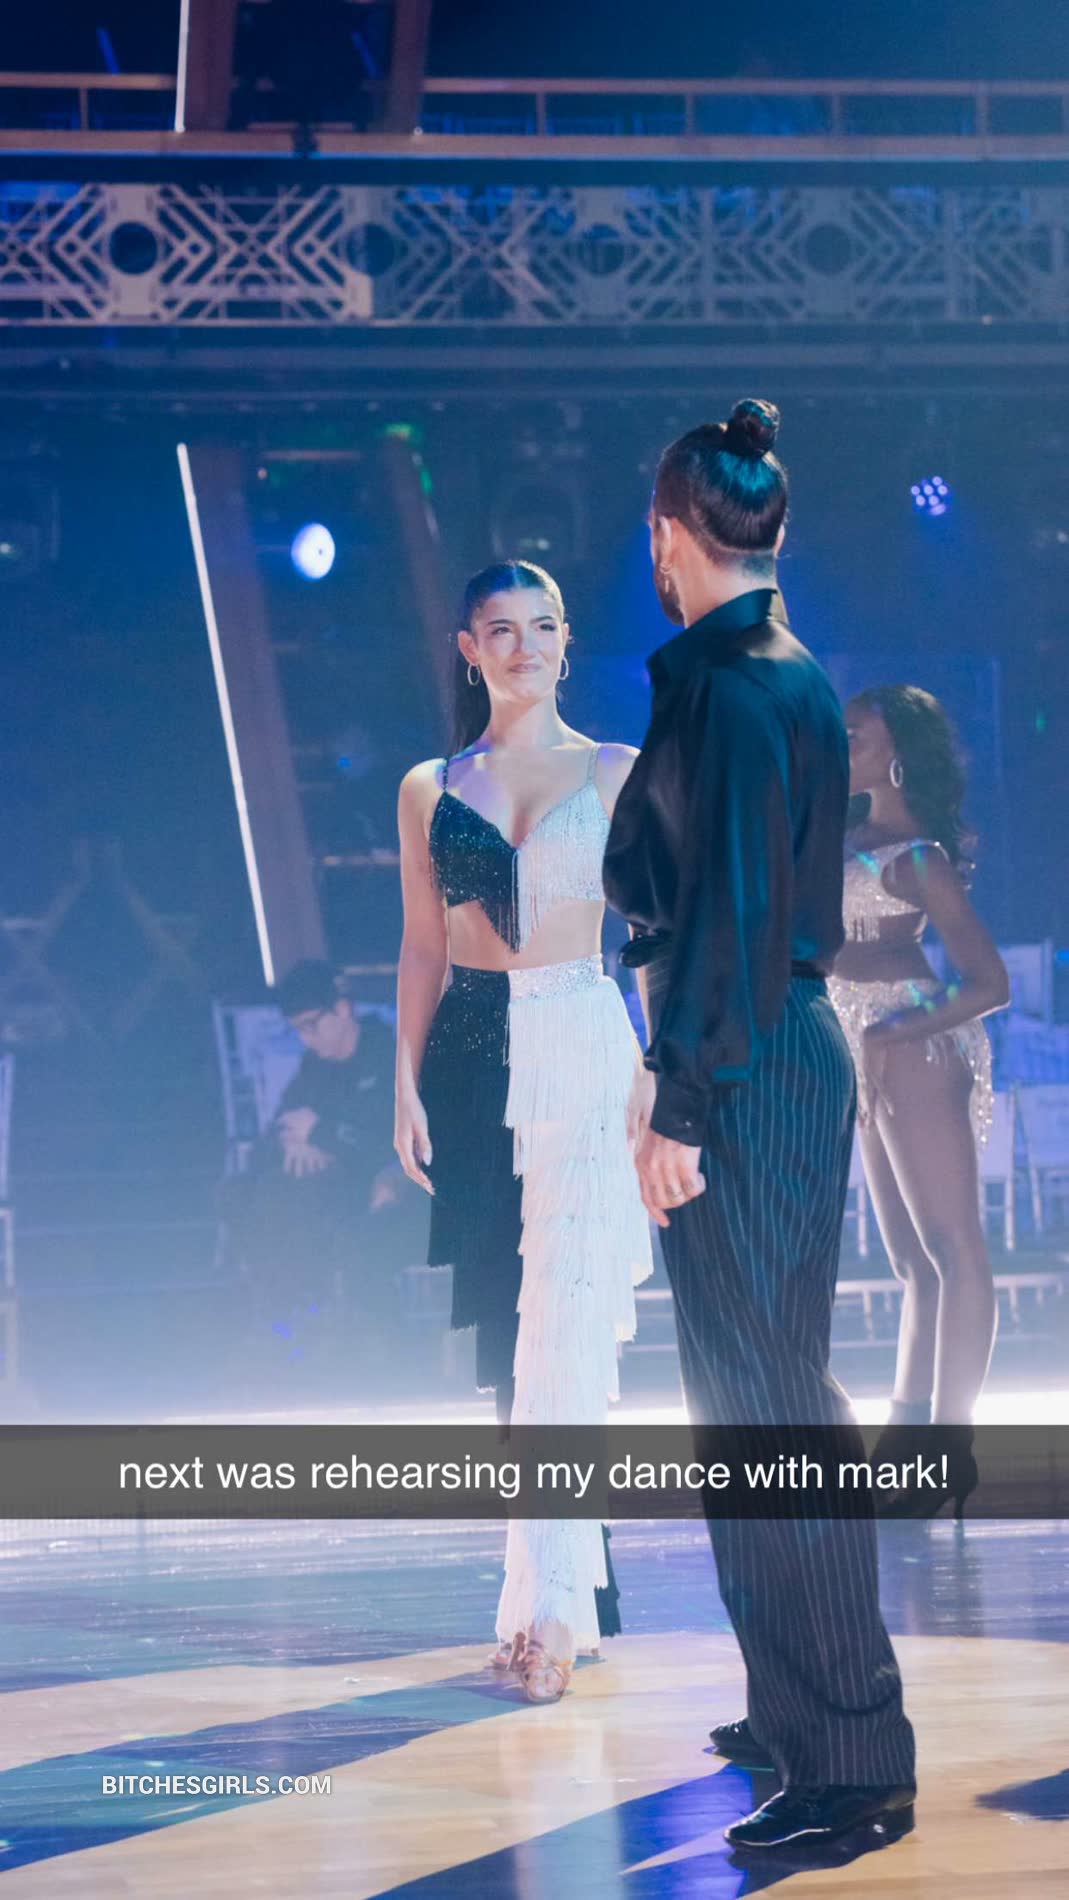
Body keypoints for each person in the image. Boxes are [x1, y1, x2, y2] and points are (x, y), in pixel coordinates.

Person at [603, 399, 917, 1856]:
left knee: (773, 1405)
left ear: (669, 536)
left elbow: (728, 915)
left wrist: (676, 1095)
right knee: (748, 1402)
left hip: (745, 1056)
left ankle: (849, 1755)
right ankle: (801, 1710)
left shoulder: (736, 688)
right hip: (756, 1044)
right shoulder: (765, 673)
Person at [394, 559, 653, 1704]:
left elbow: (655, 931)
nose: (522, 645)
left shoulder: (617, 769)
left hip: (585, 1040)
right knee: (511, 1329)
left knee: (565, 1319)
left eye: (541, 624)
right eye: (498, 629)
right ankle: (559, 1598)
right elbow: (422, 944)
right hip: (469, 1050)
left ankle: (544, 1617)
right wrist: (399, 1082)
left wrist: (660, 1070)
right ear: (468, 648)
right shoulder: (430, 786)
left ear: (564, 637)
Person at [829, 687, 1009, 1452]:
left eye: (854, 737)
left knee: (952, 1248)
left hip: (910, 1045)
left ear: (897, 756)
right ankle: (905, 1439)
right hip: (861, 1043)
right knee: (910, 1261)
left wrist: (890, 1031)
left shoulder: (917, 858)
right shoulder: (847, 837)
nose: (840, 747)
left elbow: (990, 983)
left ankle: (948, 1445)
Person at [225, 960, 406, 1373]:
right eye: (298, 1030)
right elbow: (284, 1122)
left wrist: (321, 1131)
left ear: (342, 1009)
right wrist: (293, 1140)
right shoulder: (314, 1067)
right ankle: (281, 1315)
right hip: (320, 1180)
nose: (306, 1039)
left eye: (311, 1025)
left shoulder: (388, 1053)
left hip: (376, 1181)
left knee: (286, 1195)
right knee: (243, 1190)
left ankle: (303, 1317)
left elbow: (387, 1137)